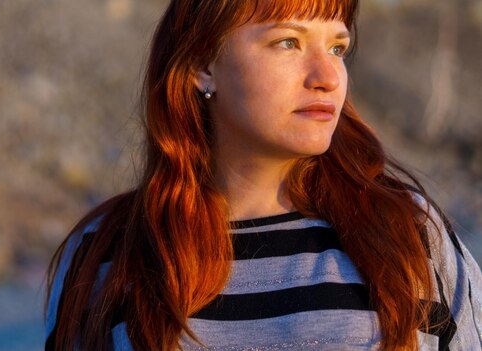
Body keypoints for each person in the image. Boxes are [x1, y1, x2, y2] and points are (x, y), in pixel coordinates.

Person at [44, 0, 482, 350]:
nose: (328, 77)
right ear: (203, 63)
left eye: (337, 48)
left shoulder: (408, 235)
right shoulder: (105, 254)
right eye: (288, 42)